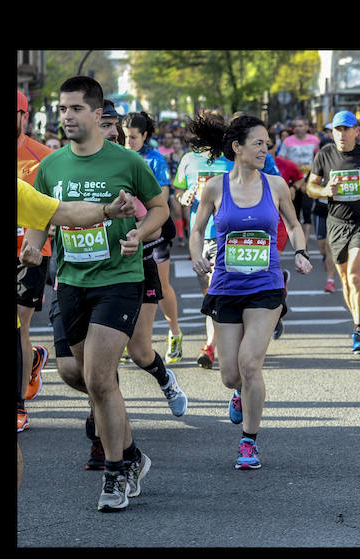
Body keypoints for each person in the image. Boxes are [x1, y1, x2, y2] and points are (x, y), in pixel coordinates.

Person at [33, 76, 169, 512]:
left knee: (97, 377)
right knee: (76, 372)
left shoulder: (127, 162)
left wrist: (139, 235)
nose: (67, 116)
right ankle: (132, 454)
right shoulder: (51, 166)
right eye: (62, 109)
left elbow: (161, 208)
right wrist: (35, 243)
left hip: (118, 278)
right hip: (71, 280)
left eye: (75, 109)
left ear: (97, 114)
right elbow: (41, 212)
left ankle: (114, 474)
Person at [188, 114, 312, 469]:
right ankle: (240, 394)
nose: (265, 149)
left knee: (249, 363)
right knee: (230, 375)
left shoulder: (275, 185)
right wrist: (197, 256)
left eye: (267, 144)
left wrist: (300, 252)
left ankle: (248, 441)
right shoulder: (214, 186)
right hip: (226, 286)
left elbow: (293, 224)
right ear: (237, 147)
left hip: (266, 286)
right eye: (258, 143)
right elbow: (197, 231)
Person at [17, 178, 137, 489]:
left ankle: (114, 445)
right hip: (71, 289)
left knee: (98, 377)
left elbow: (65, 212)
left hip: (111, 280)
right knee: (76, 372)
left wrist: (108, 211)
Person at [121, 111, 188, 413]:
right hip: (125, 241)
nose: (127, 140)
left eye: (133, 136)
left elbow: (159, 204)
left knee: (162, 285)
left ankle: (174, 330)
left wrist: (141, 229)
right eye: (124, 135)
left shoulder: (155, 160)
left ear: (145, 136)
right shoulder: (115, 155)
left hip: (153, 235)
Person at [306, 110, 360, 354]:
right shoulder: (324, 154)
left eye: (346, 129)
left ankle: (358, 330)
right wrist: (325, 191)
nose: (341, 134)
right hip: (336, 223)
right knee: (343, 278)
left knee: (354, 274)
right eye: (337, 130)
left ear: (356, 131)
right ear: (333, 132)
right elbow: (310, 186)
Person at [174, 110, 236, 369]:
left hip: (228, 234)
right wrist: (184, 196)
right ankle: (220, 340)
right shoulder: (189, 160)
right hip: (199, 234)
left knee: (217, 291)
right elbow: (179, 191)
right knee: (209, 292)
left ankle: (211, 346)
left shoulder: (232, 159)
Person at [17, 89, 54, 433]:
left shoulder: (41, 157)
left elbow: (52, 209)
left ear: (24, 116)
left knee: (19, 326)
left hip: (28, 253)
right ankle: (32, 361)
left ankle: (19, 407)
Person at [277, 116, 321, 249]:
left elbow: (318, 158)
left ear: (307, 127)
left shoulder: (314, 140)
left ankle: (305, 242)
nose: (299, 128)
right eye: (296, 126)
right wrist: (293, 165)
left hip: (308, 180)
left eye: (301, 125)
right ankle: (295, 239)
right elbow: (280, 159)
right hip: (293, 182)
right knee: (293, 212)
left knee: (307, 212)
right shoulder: (288, 141)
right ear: (292, 128)